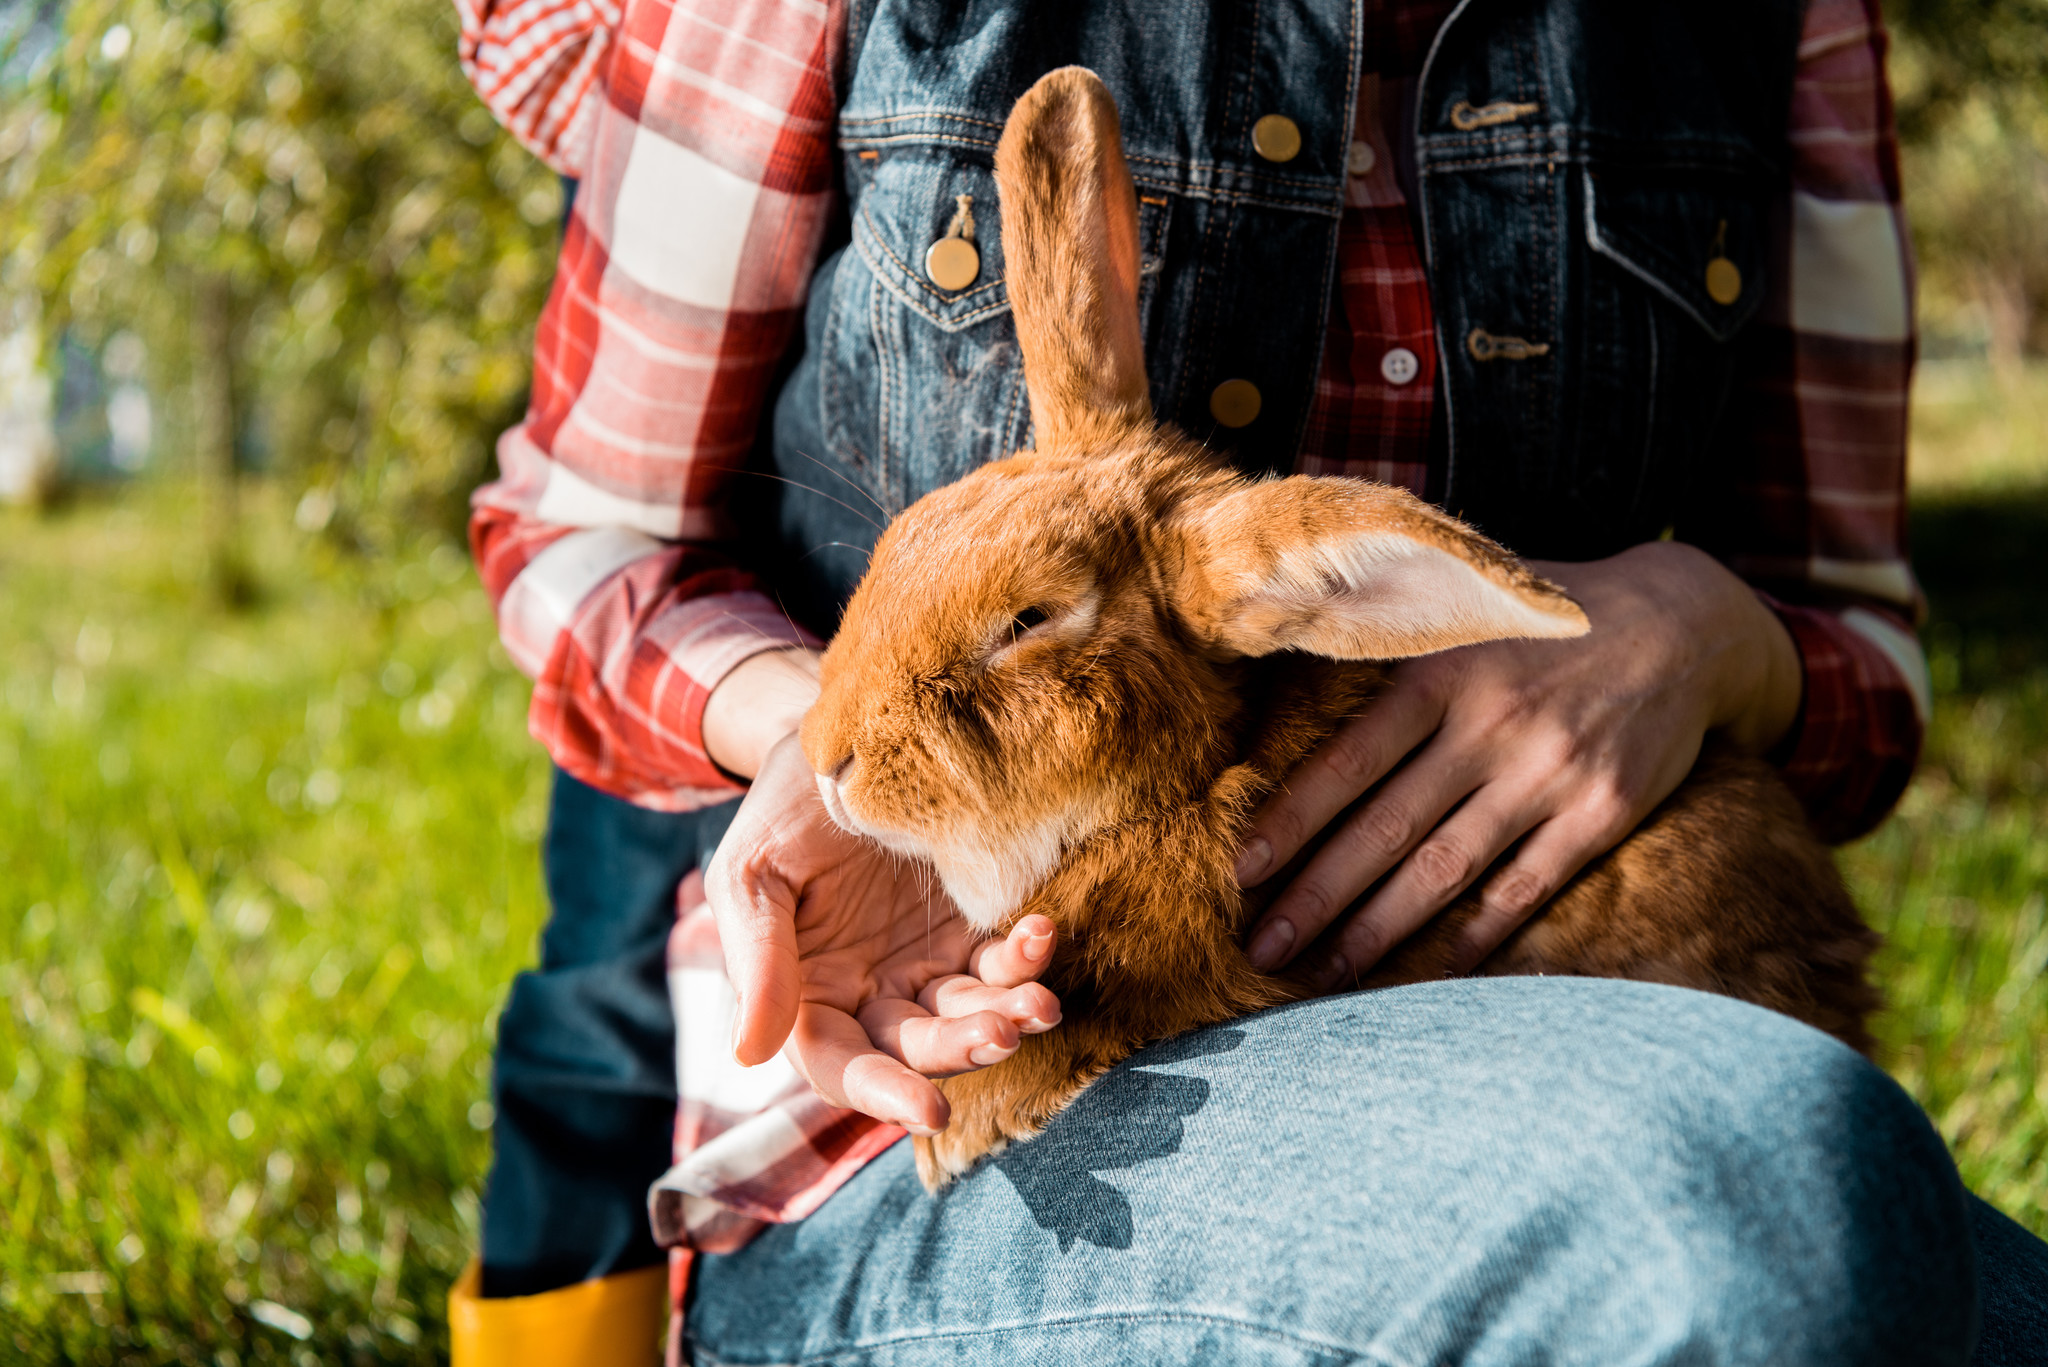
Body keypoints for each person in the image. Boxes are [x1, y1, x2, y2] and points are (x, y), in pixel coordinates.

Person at [448, 0, 2048, 1361]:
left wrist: (1705, 628)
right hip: (937, 1107)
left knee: (1830, 1207)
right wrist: (817, 737)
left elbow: (1855, 651)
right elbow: (583, 542)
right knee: (1759, 1201)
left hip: (1605, 1028)